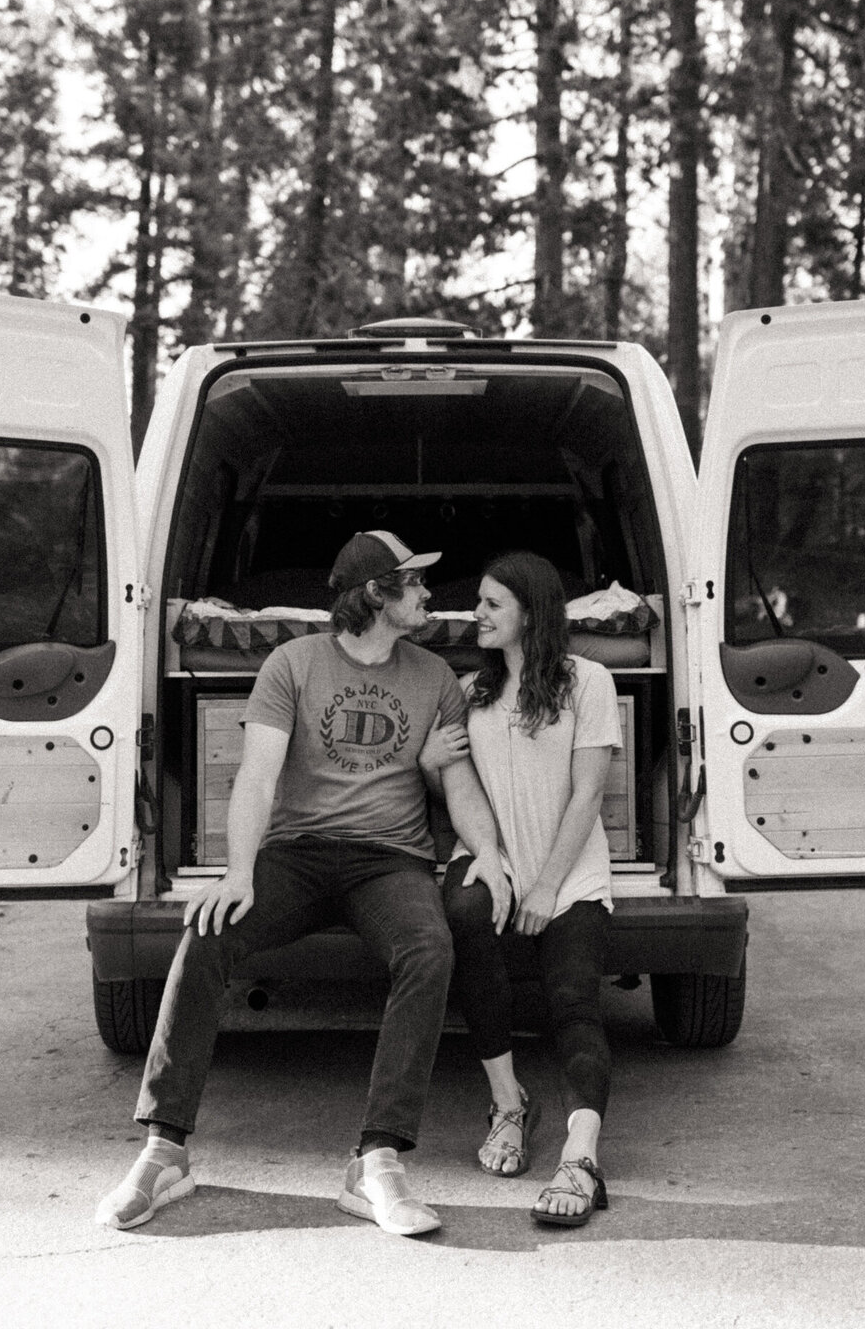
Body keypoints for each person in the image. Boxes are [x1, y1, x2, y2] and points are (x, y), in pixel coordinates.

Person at [96, 529, 511, 1238]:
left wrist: (492, 853)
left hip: (390, 860)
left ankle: (375, 1161)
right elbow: (256, 776)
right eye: (411, 583)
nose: (426, 594)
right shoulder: (293, 664)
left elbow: (457, 778)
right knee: (207, 929)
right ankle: (164, 1151)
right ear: (378, 594)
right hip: (298, 851)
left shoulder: (434, 676)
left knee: (428, 949)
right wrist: (238, 872)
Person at [439, 550, 621, 1228]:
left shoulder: (587, 682)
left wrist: (547, 887)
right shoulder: (470, 691)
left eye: (491, 603)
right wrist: (436, 770)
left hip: (569, 871)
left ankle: (581, 1155)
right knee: (463, 913)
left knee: (572, 995)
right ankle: (509, 1105)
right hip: (495, 860)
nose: (477, 614)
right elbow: (456, 784)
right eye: (478, 602)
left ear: (530, 611)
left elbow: (588, 791)